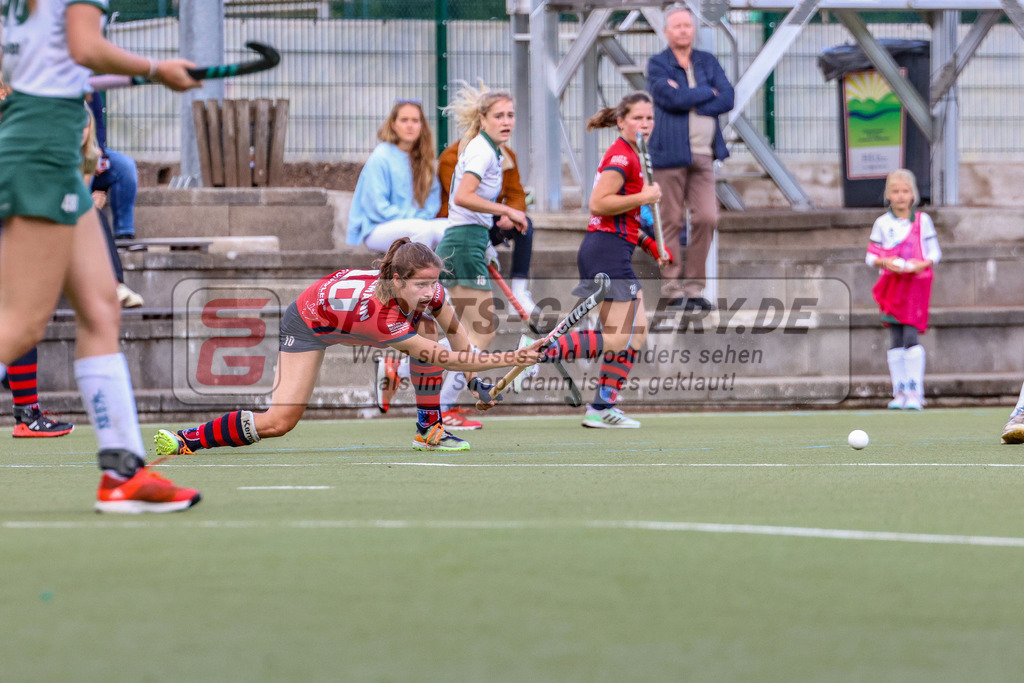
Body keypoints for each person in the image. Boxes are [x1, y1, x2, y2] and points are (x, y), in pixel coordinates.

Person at [0, 0, 202, 512]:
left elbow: (55, 60)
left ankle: (122, 474)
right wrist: (157, 69)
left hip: (48, 135)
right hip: (43, 142)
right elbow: (85, 46)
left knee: (100, 307)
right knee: (22, 324)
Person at [154, 239, 543, 457]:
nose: (430, 292)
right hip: (307, 322)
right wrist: (515, 358)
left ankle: (429, 429)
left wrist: (475, 384)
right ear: (396, 280)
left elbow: (457, 335)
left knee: (430, 326)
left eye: (433, 283)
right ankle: (188, 439)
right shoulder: (381, 315)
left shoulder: (428, 293)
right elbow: (441, 357)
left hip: (340, 309)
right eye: (421, 285)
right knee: (278, 423)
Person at [487, 93, 670, 429]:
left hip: (615, 248)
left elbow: (625, 220)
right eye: (637, 118)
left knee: (637, 332)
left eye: (649, 119)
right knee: (617, 338)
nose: (644, 124)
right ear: (621, 122)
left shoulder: (633, 154)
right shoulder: (622, 156)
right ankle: (537, 351)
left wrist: (651, 246)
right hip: (606, 252)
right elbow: (599, 204)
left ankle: (601, 407)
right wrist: (644, 195)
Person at [431, 82, 528, 431]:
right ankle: (442, 405)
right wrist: (507, 210)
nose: (506, 121)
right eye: (499, 115)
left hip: (468, 242)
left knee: (469, 332)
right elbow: (462, 197)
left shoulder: (491, 151)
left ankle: (431, 390)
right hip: (462, 243)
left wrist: (485, 243)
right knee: (481, 332)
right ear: (483, 118)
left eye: (511, 115)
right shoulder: (482, 151)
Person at [646, 3, 734, 311]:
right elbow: (670, 98)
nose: (683, 31)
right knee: (670, 220)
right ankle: (672, 290)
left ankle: (695, 288)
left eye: (687, 25)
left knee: (707, 217)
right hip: (669, 154)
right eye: (677, 26)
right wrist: (707, 92)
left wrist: (692, 99)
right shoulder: (658, 64)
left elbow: (728, 97)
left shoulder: (707, 61)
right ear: (666, 31)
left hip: (704, 154)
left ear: (693, 29)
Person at [437, 137, 538, 318]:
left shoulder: (506, 156)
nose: (506, 125)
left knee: (524, 225)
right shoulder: (452, 157)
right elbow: (462, 199)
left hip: (488, 223)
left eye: (509, 120)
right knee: (477, 322)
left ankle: (519, 293)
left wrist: (511, 214)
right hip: (460, 226)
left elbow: (517, 194)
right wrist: (504, 210)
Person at [865, 168, 940, 411]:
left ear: (913, 194)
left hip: (915, 286)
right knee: (895, 337)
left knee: (910, 335)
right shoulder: (882, 223)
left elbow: (934, 253)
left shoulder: (922, 221)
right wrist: (885, 262)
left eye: (905, 191)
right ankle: (899, 391)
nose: (900, 196)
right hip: (892, 287)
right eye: (895, 191)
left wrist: (921, 264)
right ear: (888, 194)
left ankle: (915, 392)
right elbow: (871, 257)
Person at [346, 99, 451, 252]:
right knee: (421, 230)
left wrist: (420, 217)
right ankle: (419, 269)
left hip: (418, 222)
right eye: (404, 120)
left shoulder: (424, 158)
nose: (410, 125)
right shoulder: (381, 156)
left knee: (453, 229)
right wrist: (414, 218)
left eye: (415, 120)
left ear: (422, 125)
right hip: (378, 227)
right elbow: (377, 207)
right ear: (393, 125)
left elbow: (433, 201)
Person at [87, 91, 138, 239]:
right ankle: (87, 229)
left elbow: (99, 126)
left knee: (125, 167)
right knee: (85, 165)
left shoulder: (92, 91)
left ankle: (124, 232)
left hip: (93, 148)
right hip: (70, 154)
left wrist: (99, 152)